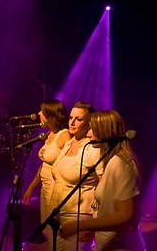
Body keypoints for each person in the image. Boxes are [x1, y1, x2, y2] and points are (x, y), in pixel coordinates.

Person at [60, 109, 145, 251]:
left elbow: (126, 216)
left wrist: (79, 225)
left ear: (107, 131)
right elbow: (109, 209)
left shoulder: (121, 163)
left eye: (92, 129)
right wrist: (94, 230)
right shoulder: (112, 161)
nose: (88, 134)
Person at [49, 101, 103, 251]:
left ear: (89, 123)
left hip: (80, 216)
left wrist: (94, 223)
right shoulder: (68, 144)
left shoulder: (93, 148)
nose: (72, 122)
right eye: (71, 117)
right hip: (59, 214)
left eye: (78, 119)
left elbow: (104, 186)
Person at [23, 99, 71, 246]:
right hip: (45, 188)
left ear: (50, 115)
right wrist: (31, 187)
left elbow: (68, 166)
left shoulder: (64, 136)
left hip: (55, 190)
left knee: (55, 230)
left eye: (42, 112)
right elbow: (45, 165)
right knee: (47, 229)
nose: (38, 114)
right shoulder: (49, 134)